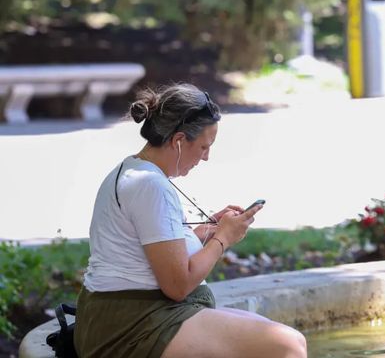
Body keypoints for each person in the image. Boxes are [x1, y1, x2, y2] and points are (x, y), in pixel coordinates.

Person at [74, 83, 307, 358]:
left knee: (281, 337)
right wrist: (223, 238)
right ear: (179, 141)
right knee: (286, 346)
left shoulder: (133, 170)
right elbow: (177, 285)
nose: (206, 157)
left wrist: (206, 232)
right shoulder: (150, 185)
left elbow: (149, 249)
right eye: (204, 147)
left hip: (123, 317)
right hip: (131, 327)